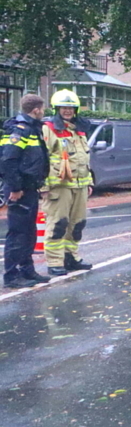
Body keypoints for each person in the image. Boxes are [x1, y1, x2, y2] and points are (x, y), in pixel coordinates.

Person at [40, 89, 93, 276]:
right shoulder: (49, 129)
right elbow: (42, 159)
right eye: (64, 107)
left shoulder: (79, 129)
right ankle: (55, 261)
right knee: (58, 224)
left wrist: (89, 182)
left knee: (77, 224)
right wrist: (43, 187)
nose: (67, 111)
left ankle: (71, 257)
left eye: (71, 107)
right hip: (59, 187)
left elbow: (84, 157)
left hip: (80, 186)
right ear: (57, 108)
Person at [1, 95, 51, 288]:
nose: (43, 111)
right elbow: (8, 161)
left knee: (29, 231)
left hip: (29, 187)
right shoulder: (20, 130)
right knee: (18, 232)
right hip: (19, 189)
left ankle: (27, 270)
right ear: (36, 109)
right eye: (42, 108)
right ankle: (12, 276)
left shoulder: (32, 128)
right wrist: (15, 188)